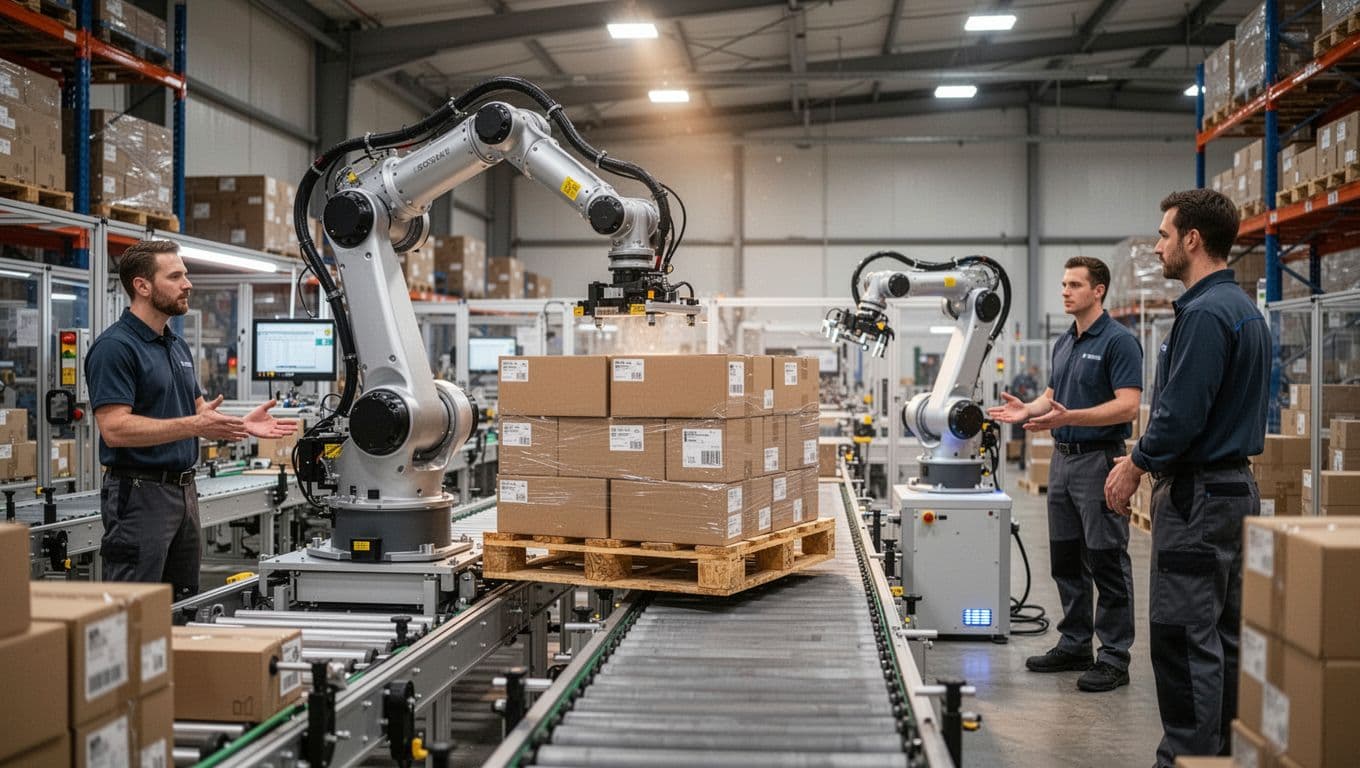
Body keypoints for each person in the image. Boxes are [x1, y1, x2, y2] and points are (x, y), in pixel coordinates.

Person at [1104, 189, 1269, 767]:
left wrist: (1135, 463)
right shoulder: (1244, 309)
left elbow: (1180, 414)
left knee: (1181, 635)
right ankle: (1217, 752)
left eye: (1165, 235)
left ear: (1192, 240)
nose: (1157, 246)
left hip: (1199, 497)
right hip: (1233, 491)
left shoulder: (1203, 314)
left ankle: (1186, 756)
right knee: (1220, 634)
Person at [87, 240, 296, 599]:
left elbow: (198, 412)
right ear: (142, 286)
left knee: (184, 601)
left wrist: (241, 424)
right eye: (176, 276)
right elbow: (115, 428)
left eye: (186, 274)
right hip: (139, 496)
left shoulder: (175, 345)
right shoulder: (115, 348)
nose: (188, 284)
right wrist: (195, 425)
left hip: (183, 492)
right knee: (135, 607)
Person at [988, 256, 1143, 692]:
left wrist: (1072, 415)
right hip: (1063, 461)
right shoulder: (1064, 343)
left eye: (1075, 284)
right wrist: (1026, 409)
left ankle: (1114, 656)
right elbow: (1051, 398)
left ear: (1099, 291)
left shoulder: (1119, 342)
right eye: (1063, 283)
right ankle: (1076, 641)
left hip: (1098, 460)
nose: (1065, 291)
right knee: (1067, 558)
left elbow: (1128, 404)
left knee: (1107, 559)